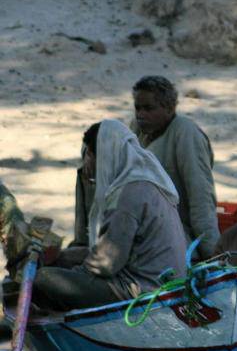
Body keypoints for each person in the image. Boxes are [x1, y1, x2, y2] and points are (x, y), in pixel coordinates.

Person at [33, 120, 187, 311]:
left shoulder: (127, 194)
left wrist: (74, 273)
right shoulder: (149, 182)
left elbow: (105, 263)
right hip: (165, 285)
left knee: (43, 279)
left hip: (142, 292)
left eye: (88, 154)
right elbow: (117, 248)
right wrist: (64, 257)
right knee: (60, 265)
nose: (86, 161)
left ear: (100, 155)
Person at [73, 75, 219, 260]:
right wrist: (88, 154)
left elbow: (201, 200)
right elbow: (109, 153)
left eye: (149, 108)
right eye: (138, 108)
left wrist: (213, 256)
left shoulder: (185, 133)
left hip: (173, 233)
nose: (141, 114)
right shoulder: (137, 129)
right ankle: (83, 240)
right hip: (134, 224)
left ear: (169, 108)